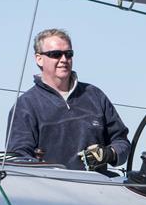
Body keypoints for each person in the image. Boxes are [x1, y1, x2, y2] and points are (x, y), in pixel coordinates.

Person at [7, 28, 131, 171]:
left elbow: (121, 141)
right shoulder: (26, 105)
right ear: (39, 59)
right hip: (49, 189)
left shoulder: (95, 96)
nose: (64, 60)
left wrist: (109, 154)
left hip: (96, 189)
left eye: (68, 54)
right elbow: (18, 157)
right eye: (56, 54)